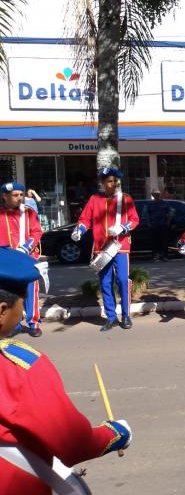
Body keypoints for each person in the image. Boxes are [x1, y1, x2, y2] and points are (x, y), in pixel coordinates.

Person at [0, 248, 132, 493]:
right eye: (22, 301)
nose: (24, 310)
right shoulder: (20, 367)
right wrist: (116, 433)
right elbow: (72, 443)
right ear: (2, 310)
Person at [72, 168, 140, 331]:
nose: (114, 183)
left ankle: (125, 316)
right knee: (105, 282)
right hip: (101, 248)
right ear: (103, 183)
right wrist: (79, 230)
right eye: (110, 181)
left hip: (121, 246)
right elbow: (85, 219)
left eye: (116, 181)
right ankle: (111, 317)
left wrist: (123, 228)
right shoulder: (95, 199)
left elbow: (135, 219)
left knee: (123, 280)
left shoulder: (125, 199)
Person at [0, 182, 44, 337]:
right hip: (6, 263)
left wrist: (26, 247)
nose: (19, 198)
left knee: (31, 291)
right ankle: (14, 324)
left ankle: (34, 322)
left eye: (21, 195)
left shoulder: (29, 212)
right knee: (10, 293)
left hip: (27, 258)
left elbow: (37, 232)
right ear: (4, 196)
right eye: (15, 195)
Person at [146, 189, 173, 261]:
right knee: (154, 241)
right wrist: (149, 223)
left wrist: (167, 222)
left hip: (163, 225)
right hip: (154, 225)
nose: (157, 196)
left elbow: (170, 213)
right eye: (155, 194)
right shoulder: (150, 204)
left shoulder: (165, 203)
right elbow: (147, 215)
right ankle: (155, 256)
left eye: (158, 194)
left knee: (164, 241)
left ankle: (164, 256)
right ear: (153, 195)